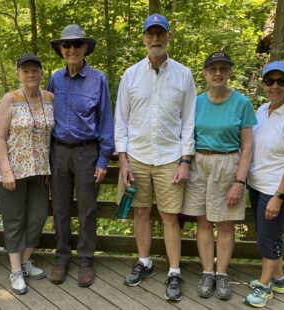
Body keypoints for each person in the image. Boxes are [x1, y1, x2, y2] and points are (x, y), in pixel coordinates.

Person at [114, 14, 196, 301]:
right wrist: (123, 160)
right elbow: (120, 120)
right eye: (151, 34)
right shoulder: (131, 74)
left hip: (170, 158)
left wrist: (186, 160)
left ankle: (174, 271)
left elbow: (189, 121)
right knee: (140, 212)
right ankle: (145, 261)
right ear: (144, 38)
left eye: (160, 33)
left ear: (169, 37)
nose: (155, 39)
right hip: (136, 156)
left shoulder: (184, 74)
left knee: (170, 216)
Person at [182, 52, 257, 300]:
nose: (218, 74)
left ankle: (222, 274)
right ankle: (207, 272)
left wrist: (239, 181)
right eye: (213, 69)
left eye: (223, 69)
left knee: (225, 223)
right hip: (198, 163)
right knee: (203, 222)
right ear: (204, 73)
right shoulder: (197, 102)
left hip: (228, 164)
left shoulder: (241, 103)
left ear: (229, 73)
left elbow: (247, 147)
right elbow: (186, 135)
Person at [48, 24, 115, 287]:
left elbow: (106, 119)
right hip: (58, 150)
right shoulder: (55, 78)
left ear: (86, 48)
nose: (72, 49)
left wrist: (103, 158)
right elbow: (46, 117)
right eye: (67, 45)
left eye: (77, 44)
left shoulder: (98, 79)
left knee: (87, 210)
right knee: (60, 208)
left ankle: (86, 260)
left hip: (88, 152)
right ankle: (62, 257)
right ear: (61, 50)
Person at [244, 61, 284, 308]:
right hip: (258, 185)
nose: (275, 86)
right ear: (263, 84)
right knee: (265, 236)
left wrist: (279, 196)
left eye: (281, 81)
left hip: (277, 189)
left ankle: (265, 286)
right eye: (270, 81)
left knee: (269, 240)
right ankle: (279, 279)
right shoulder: (261, 110)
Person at [0, 53, 54, 294]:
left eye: (35, 70)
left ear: (41, 73)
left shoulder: (50, 99)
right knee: (14, 219)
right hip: (13, 172)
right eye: (25, 70)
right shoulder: (10, 99)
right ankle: (16, 270)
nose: (31, 75)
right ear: (18, 74)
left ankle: (27, 261)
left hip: (40, 171)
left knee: (38, 217)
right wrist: (6, 169)